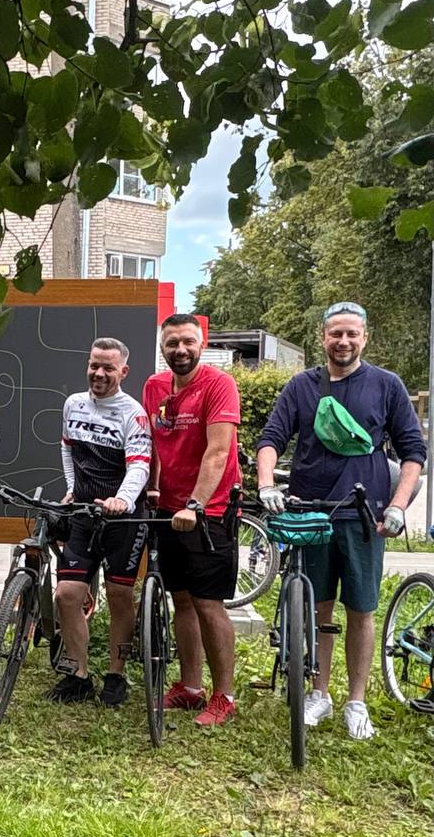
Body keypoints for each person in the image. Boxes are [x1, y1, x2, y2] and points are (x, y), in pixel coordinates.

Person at [256, 301, 426, 739]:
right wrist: (266, 484)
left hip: (364, 516)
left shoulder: (386, 385)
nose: (343, 341)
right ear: (323, 337)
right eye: (336, 334)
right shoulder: (301, 386)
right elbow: (271, 439)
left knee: (362, 609)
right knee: (318, 608)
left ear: (365, 337)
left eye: (352, 334)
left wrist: (398, 506)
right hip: (310, 512)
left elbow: (413, 452)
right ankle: (319, 693)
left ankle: (356, 701)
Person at [141, 313, 243, 727]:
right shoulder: (154, 387)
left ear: (202, 344)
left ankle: (224, 696)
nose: (180, 350)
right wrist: (152, 488)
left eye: (187, 342)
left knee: (207, 602)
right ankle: (190, 687)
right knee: (180, 598)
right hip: (169, 509)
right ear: (162, 348)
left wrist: (195, 505)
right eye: (172, 343)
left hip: (210, 510)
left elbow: (218, 451)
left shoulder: (219, 385)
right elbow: (154, 443)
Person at [51, 338, 152, 707]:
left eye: (108, 367)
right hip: (84, 515)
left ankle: (116, 673)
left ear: (123, 372)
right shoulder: (73, 404)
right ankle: (78, 675)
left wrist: (122, 500)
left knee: (120, 595)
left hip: (123, 519)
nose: (99, 373)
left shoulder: (133, 413)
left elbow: (140, 466)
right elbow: (67, 448)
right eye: (94, 365)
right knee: (67, 595)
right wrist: (71, 488)